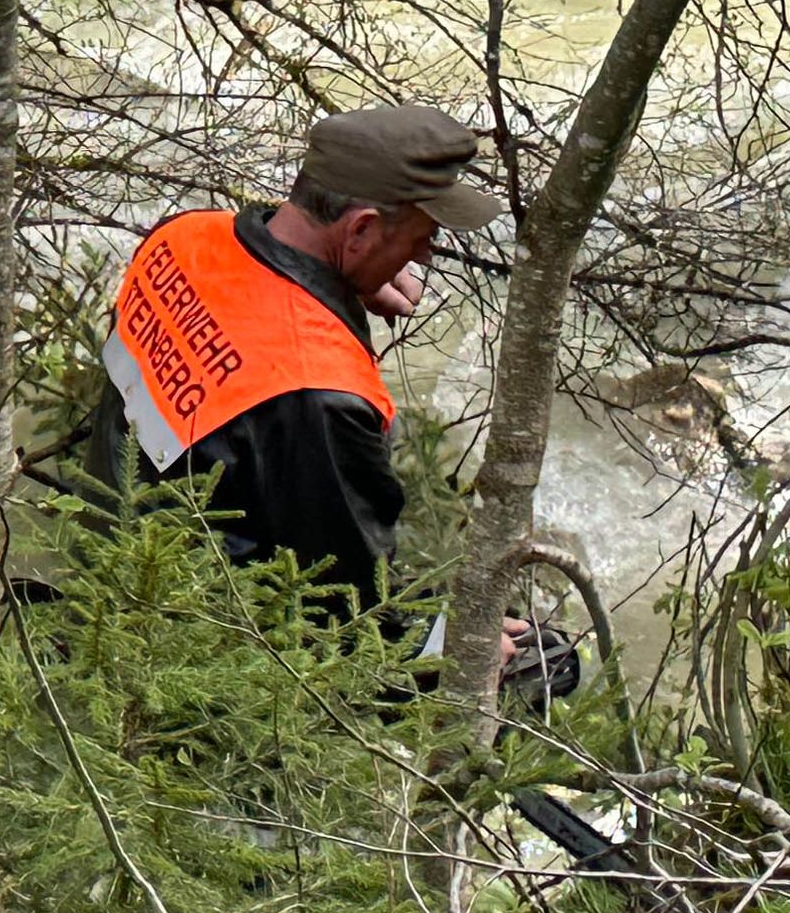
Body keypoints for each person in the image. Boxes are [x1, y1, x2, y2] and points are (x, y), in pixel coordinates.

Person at [90, 104, 504, 618]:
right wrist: (451, 641)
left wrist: (336, 283)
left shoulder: (182, 235)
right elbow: (348, 609)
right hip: (200, 627)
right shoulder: (318, 394)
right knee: (545, 658)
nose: (423, 257)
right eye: (420, 239)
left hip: (105, 540)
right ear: (360, 231)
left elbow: (257, 280)